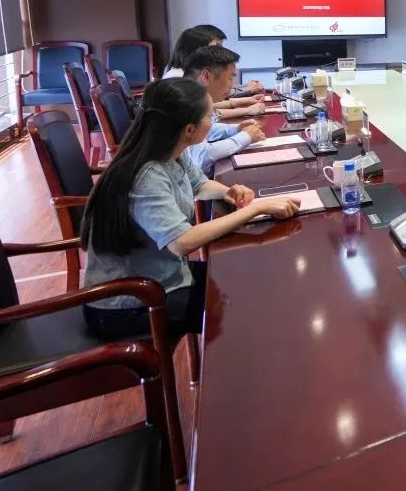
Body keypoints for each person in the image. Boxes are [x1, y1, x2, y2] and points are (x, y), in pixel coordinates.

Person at [79, 78, 299, 340]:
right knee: (244, 309)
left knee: (249, 276)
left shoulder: (171, 150)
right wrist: (253, 209)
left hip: (164, 276)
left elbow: (199, 184)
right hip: (130, 303)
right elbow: (181, 243)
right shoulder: (147, 175)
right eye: (209, 116)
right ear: (189, 129)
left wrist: (227, 192)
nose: (213, 121)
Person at [182, 45, 265, 174]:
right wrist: (246, 136)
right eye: (230, 79)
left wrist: (236, 129)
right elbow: (201, 156)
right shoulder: (183, 102)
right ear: (206, 76)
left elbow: (207, 129)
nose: (232, 86)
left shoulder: (191, 96)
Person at [164, 26, 263, 119]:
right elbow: (208, 115)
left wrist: (243, 102)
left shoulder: (185, 73)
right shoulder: (178, 81)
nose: (219, 51)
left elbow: (208, 111)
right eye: (216, 47)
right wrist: (246, 109)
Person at [194, 23, 265, 95]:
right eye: (217, 46)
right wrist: (248, 89)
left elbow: (221, 88)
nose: (221, 50)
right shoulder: (193, 73)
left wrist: (246, 86)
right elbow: (216, 94)